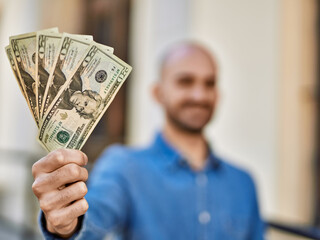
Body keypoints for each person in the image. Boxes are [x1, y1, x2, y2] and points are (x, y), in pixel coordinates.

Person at [31, 42, 265, 240]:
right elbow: (93, 220)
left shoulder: (244, 182)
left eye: (209, 83)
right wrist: (65, 224)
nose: (199, 95)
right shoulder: (124, 166)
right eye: (185, 81)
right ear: (158, 93)